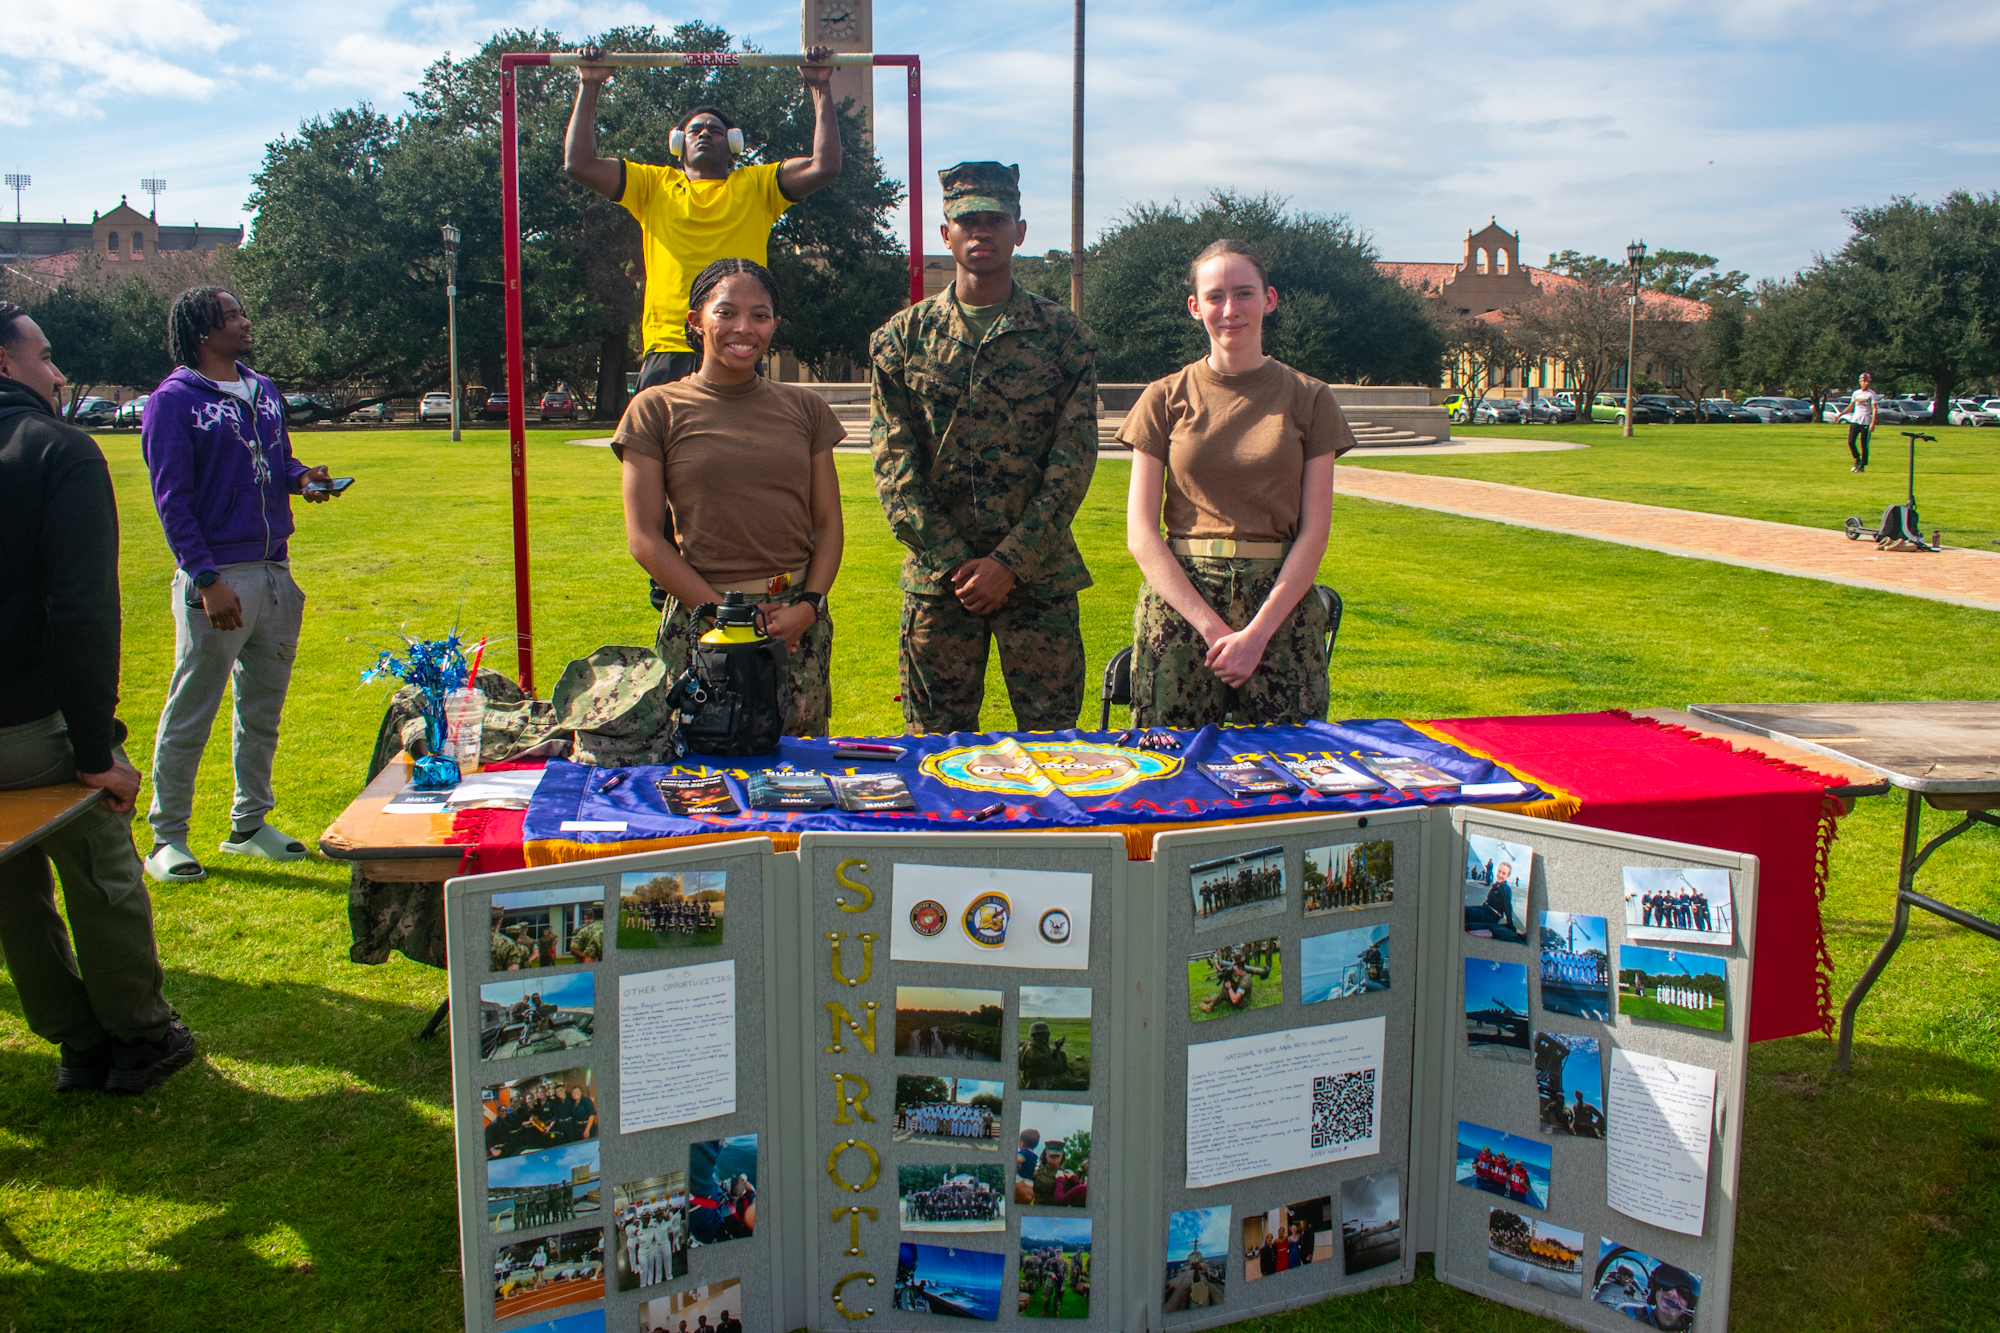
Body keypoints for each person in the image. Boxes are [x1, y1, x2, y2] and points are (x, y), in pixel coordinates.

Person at [0, 303, 196, 1095]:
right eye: (45, 356)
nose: (58, 372)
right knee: (102, 878)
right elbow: (80, 612)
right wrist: (96, 751)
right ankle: (137, 1037)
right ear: (7, 364)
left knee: (12, 897)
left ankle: (74, 1041)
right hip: (37, 723)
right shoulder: (56, 451)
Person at [870, 162, 1098, 734]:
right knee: (934, 754)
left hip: (1038, 578)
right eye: (966, 220)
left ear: (1019, 231)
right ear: (944, 233)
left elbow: (1072, 463)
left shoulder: (1063, 335)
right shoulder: (903, 338)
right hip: (938, 583)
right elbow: (894, 465)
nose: (981, 232)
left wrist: (1008, 563)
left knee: (1057, 749)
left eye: (995, 219)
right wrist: (954, 564)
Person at [139, 287, 341, 882]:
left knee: (262, 709)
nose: (245, 322)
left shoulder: (263, 390)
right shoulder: (172, 402)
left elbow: (276, 462)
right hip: (219, 578)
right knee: (191, 709)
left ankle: (249, 824)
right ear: (203, 331)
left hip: (276, 570)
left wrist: (303, 479)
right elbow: (172, 499)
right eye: (231, 316)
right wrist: (204, 578)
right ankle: (166, 838)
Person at [1118, 239, 1352, 727]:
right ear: (1195, 306)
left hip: (1280, 607)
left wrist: (1257, 635)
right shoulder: (1163, 398)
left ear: (1269, 299)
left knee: (1287, 773)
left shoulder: (1310, 399)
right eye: (1216, 296)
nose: (1230, 309)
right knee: (1170, 774)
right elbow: (1141, 534)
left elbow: (1315, 533)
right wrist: (1213, 628)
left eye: (1244, 294)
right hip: (1182, 603)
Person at [613, 258, 844, 737]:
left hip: (796, 620)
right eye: (726, 312)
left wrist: (809, 608)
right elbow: (644, 538)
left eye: (760, 315)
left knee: (798, 773)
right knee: (702, 776)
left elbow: (828, 524)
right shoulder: (656, 409)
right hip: (704, 619)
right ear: (696, 321)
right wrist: (726, 615)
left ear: (775, 325)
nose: (744, 328)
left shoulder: (806, 409)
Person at [565, 44, 842, 394]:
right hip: (669, 345)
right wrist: (589, 85)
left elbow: (825, 165)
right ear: (678, 144)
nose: (705, 133)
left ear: (734, 143)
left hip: (736, 345)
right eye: (695, 130)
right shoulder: (652, 186)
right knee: (655, 448)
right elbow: (580, 164)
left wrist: (820, 87)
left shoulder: (758, 186)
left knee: (739, 449)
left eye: (715, 129)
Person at [1843, 372, 1878, 472]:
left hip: (1866, 421)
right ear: (1860, 382)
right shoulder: (1856, 393)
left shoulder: (1871, 394)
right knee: (1850, 441)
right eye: (1864, 381)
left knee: (1864, 444)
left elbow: (1874, 409)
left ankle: (1862, 465)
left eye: (1868, 381)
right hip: (1855, 420)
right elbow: (1851, 406)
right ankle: (1857, 459)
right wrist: (1840, 414)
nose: (1866, 383)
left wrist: (1873, 423)